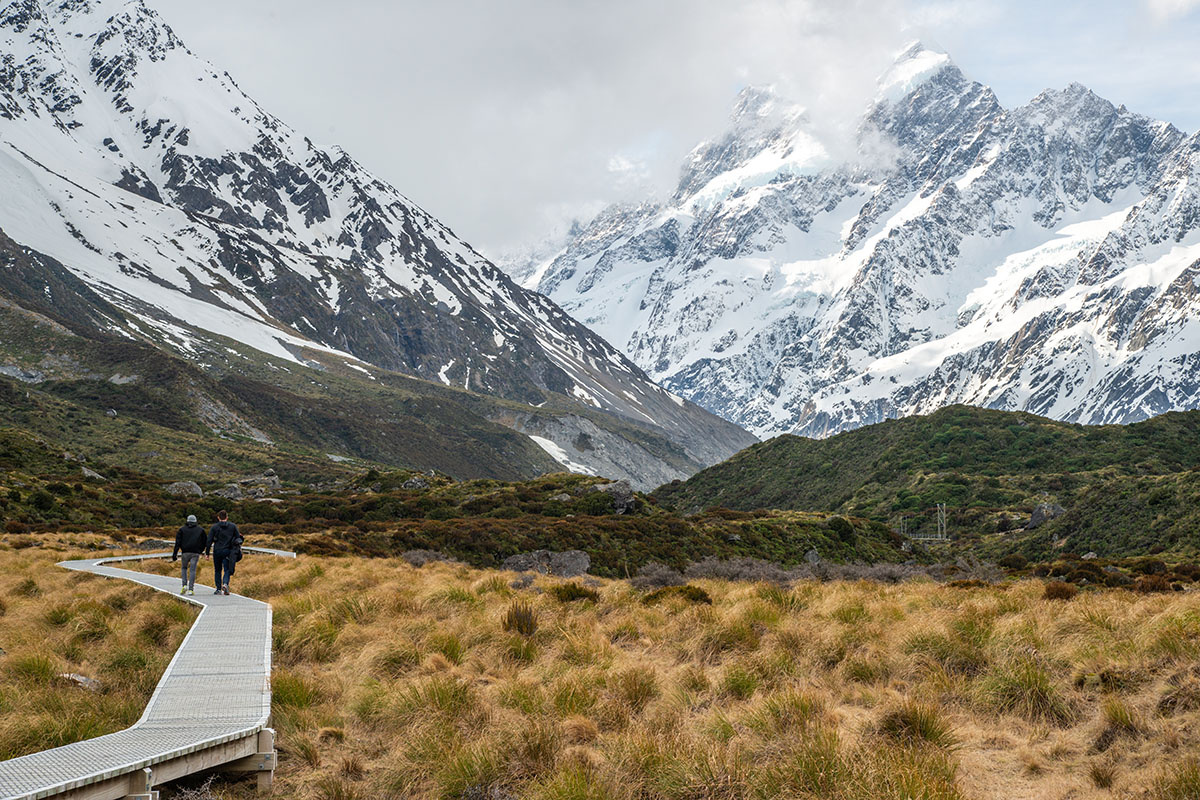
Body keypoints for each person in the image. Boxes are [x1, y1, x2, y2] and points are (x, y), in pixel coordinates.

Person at [205, 510, 242, 596]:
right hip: (228, 551)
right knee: (227, 569)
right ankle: (225, 584)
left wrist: (207, 553)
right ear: (227, 517)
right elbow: (238, 538)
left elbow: (209, 540)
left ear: (218, 518)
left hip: (217, 551)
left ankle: (218, 589)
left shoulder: (214, 527)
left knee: (217, 570)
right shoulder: (233, 526)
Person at [172, 514, 207, 596]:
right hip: (195, 553)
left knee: (184, 568)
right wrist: (200, 550)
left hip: (185, 552)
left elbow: (177, 543)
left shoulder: (182, 530)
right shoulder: (200, 530)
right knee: (192, 570)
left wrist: (175, 554)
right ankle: (191, 589)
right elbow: (205, 542)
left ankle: (184, 585)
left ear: (187, 521)